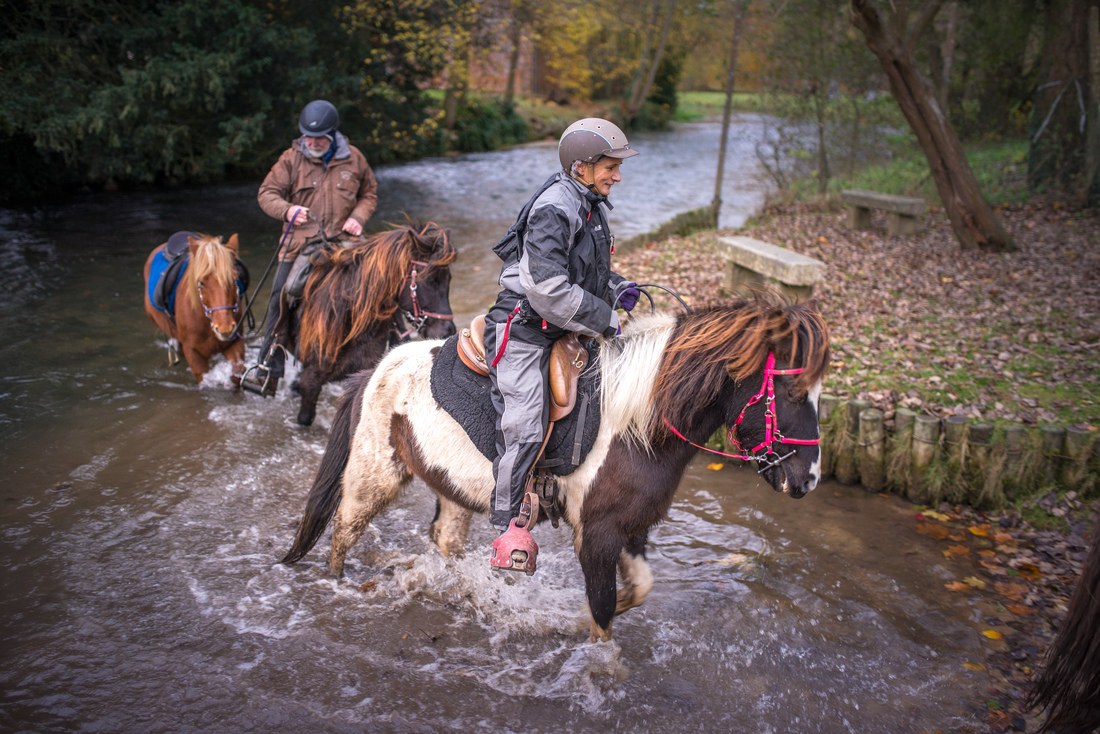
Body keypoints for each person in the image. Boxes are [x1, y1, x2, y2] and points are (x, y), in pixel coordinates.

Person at [486, 117, 641, 573]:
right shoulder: (555, 207)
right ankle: (509, 524)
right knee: (526, 424)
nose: (617, 175)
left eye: (617, 166)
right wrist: (606, 318)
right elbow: (549, 288)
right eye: (610, 166)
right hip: (524, 328)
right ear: (581, 167)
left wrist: (615, 287)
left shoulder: (590, 202)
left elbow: (583, 274)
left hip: (562, 325)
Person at [244, 99, 379, 396]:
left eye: (319, 138)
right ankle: (268, 368)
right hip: (300, 243)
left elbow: (369, 193)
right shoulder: (290, 160)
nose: (313, 142)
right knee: (281, 296)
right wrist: (287, 210)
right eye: (308, 137)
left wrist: (357, 218)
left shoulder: (354, 159)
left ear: (333, 135)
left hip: (346, 241)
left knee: (382, 284)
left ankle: (389, 349)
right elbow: (266, 193)